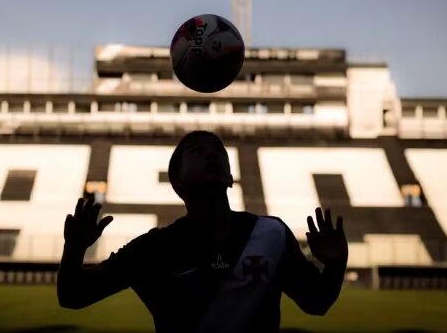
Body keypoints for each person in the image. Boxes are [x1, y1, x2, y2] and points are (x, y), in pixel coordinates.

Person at [58, 130, 348, 333]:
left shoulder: (272, 233)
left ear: (231, 176)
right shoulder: (153, 249)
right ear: (177, 182)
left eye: (219, 151)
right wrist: (74, 247)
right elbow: (72, 296)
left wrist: (336, 264)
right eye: (198, 151)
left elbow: (316, 302)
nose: (212, 156)